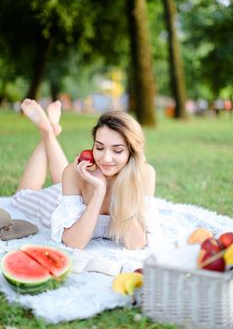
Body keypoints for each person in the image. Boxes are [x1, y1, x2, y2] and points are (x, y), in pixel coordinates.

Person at [12, 98, 164, 250]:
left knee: (64, 178)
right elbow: (74, 243)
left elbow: (136, 244)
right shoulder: (74, 173)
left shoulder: (144, 174)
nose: (105, 158)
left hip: (73, 189)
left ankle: (50, 132)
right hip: (57, 201)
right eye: (99, 147)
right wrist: (99, 191)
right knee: (22, 195)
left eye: (117, 150)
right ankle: (47, 131)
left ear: (132, 152)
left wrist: (126, 185)